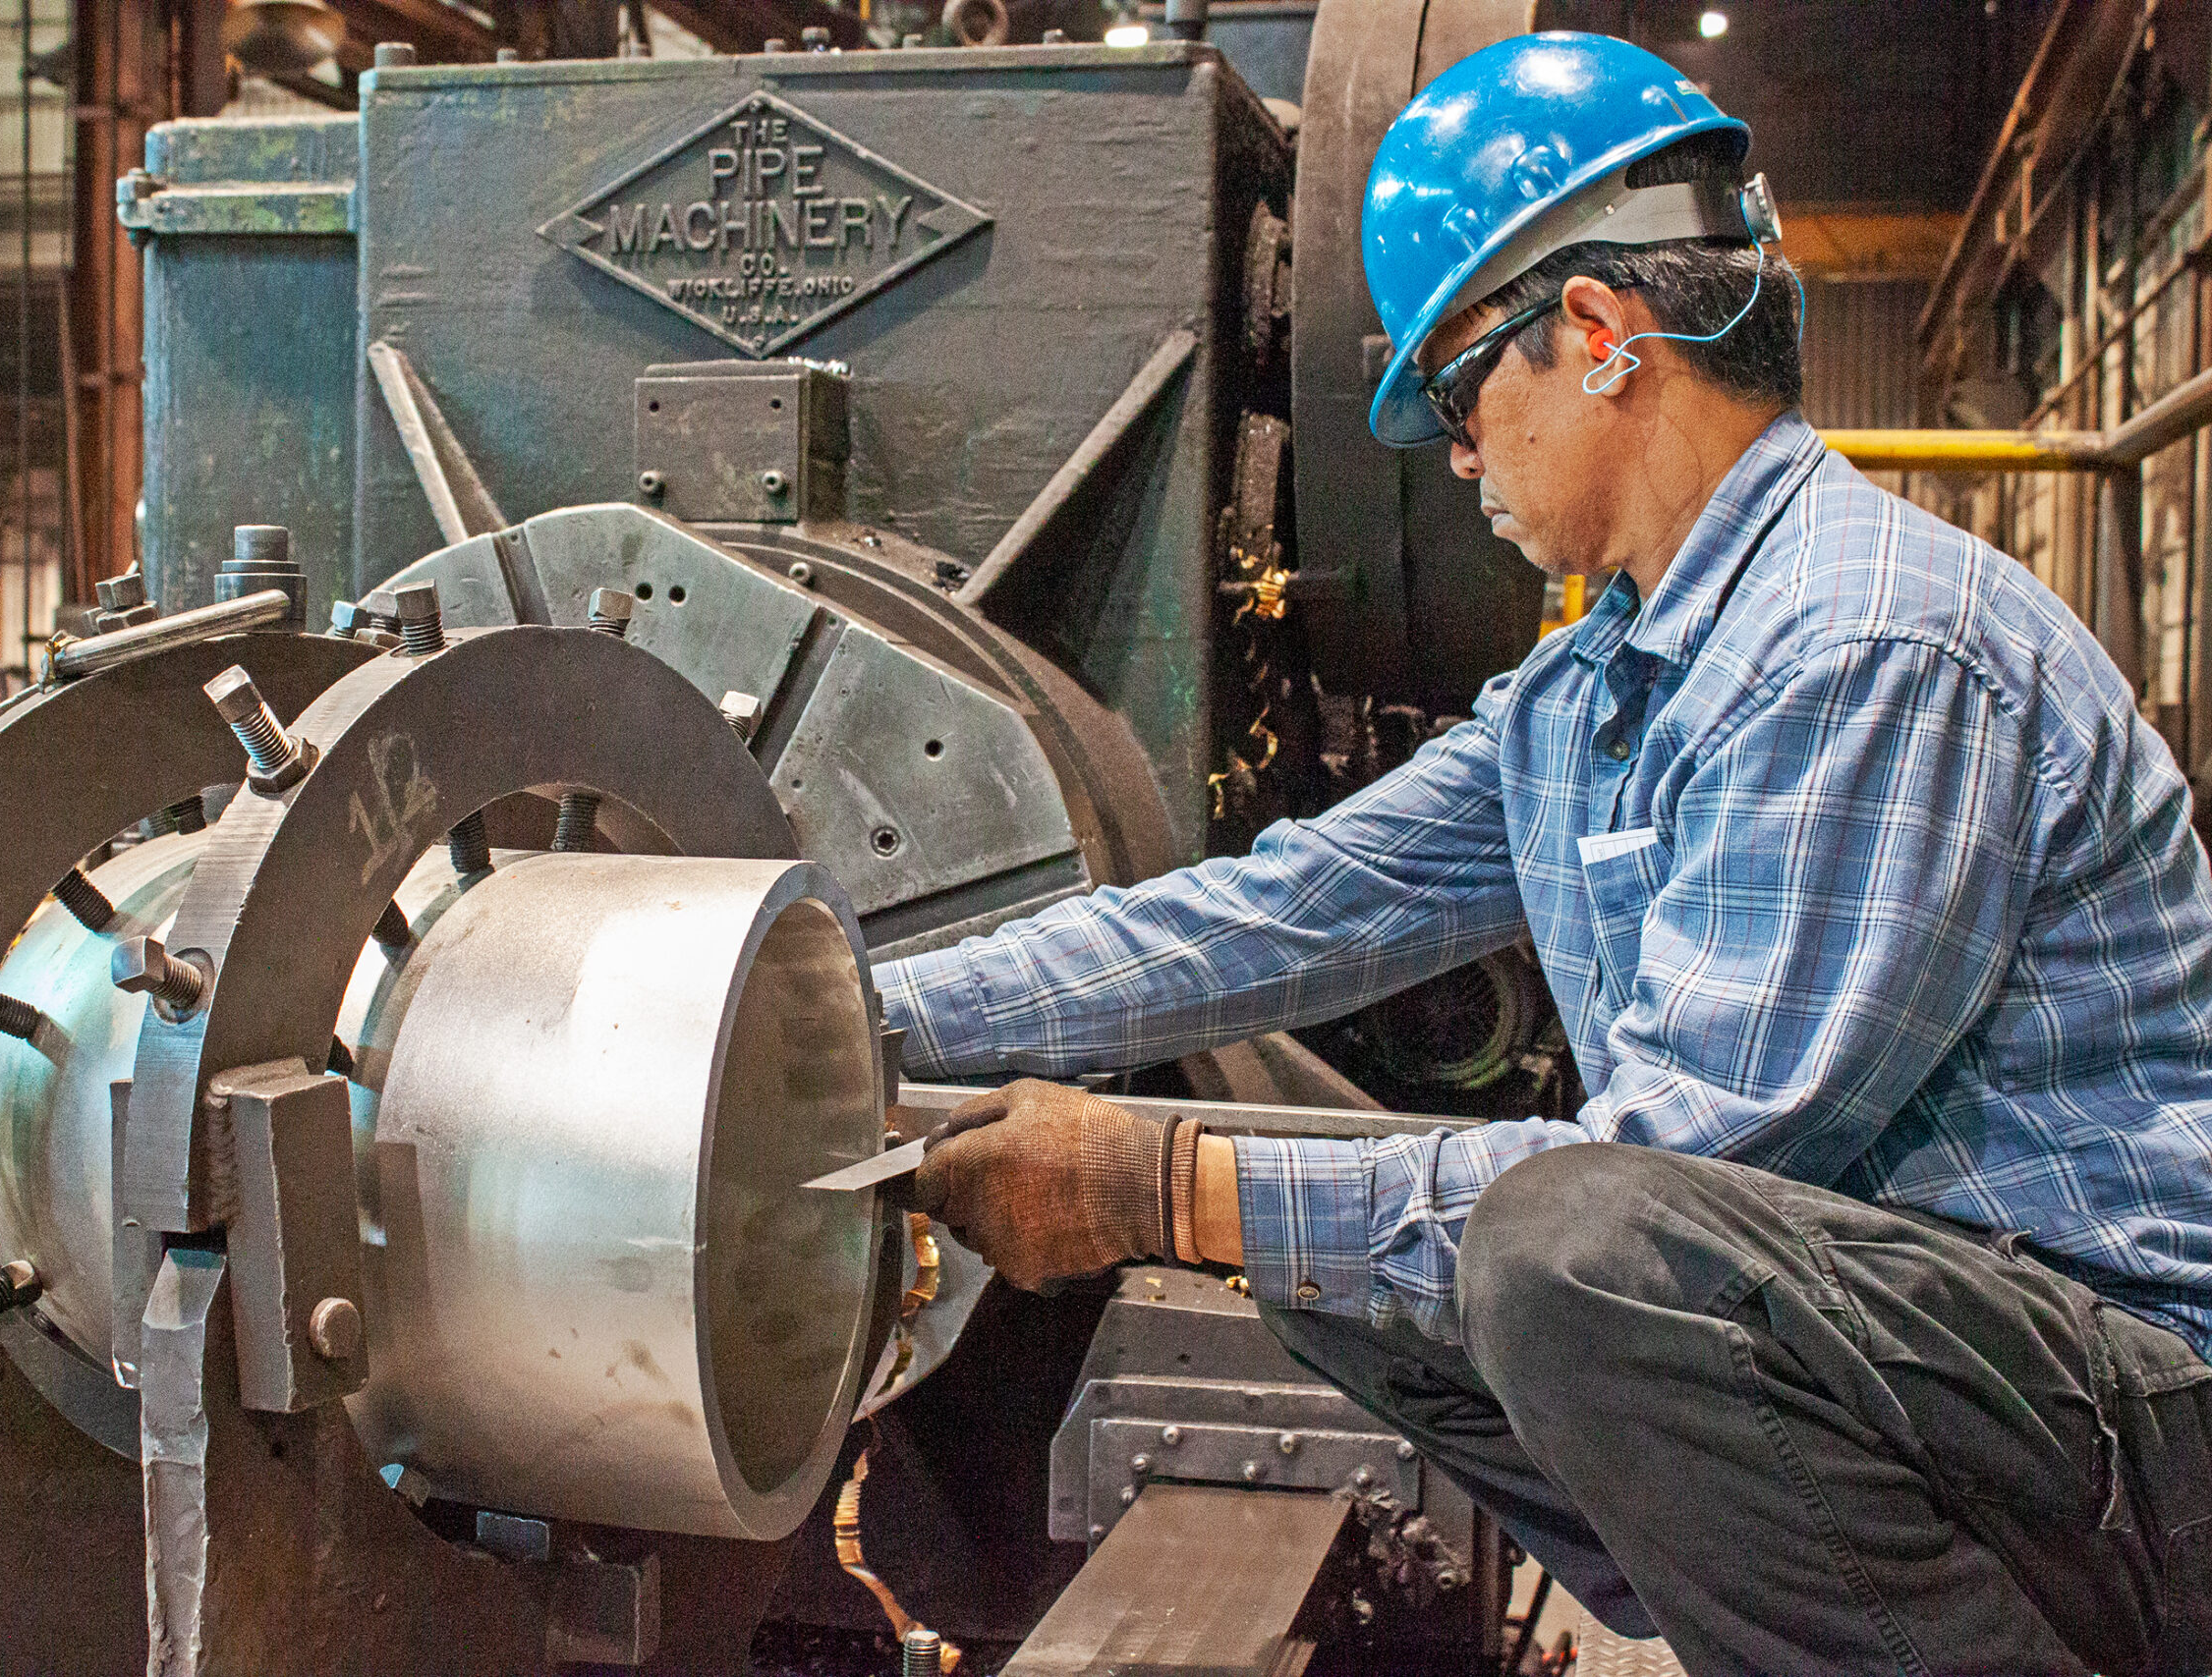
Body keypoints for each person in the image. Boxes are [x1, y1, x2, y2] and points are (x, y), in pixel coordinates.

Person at [875, 30, 2212, 1677]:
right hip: (1941, 1373)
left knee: (1563, 1254)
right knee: (1317, 1226)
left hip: (2141, 1432)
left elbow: (1700, 1175)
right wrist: (853, 1016)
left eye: (1454, 391)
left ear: (1594, 335)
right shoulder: (1595, 688)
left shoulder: (1868, 641)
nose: (1452, 459)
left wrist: (1150, 1185)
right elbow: (1270, 914)